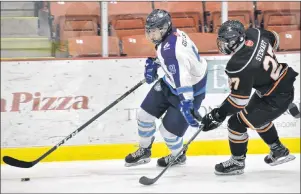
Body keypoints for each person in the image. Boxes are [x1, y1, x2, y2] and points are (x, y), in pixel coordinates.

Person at [201, 20, 298, 175]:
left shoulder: (237, 65)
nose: (222, 44)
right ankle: (277, 149)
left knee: (235, 124)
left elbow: (238, 102)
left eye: (225, 41)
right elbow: (275, 39)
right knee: (255, 117)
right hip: (279, 84)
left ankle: (237, 162)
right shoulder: (255, 33)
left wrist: (218, 114)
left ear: (235, 40)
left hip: (274, 97)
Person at [124, 9, 208, 167]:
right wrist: (155, 63)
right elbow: (176, 64)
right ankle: (144, 151)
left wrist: (187, 103)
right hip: (170, 84)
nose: (151, 36)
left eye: (154, 32)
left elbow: (182, 79)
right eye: (149, 31)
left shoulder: (171, 52)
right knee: (143, 115)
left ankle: (178, 155)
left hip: (191, 90)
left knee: (168, 133)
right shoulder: (174, 35)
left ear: (164, 28)